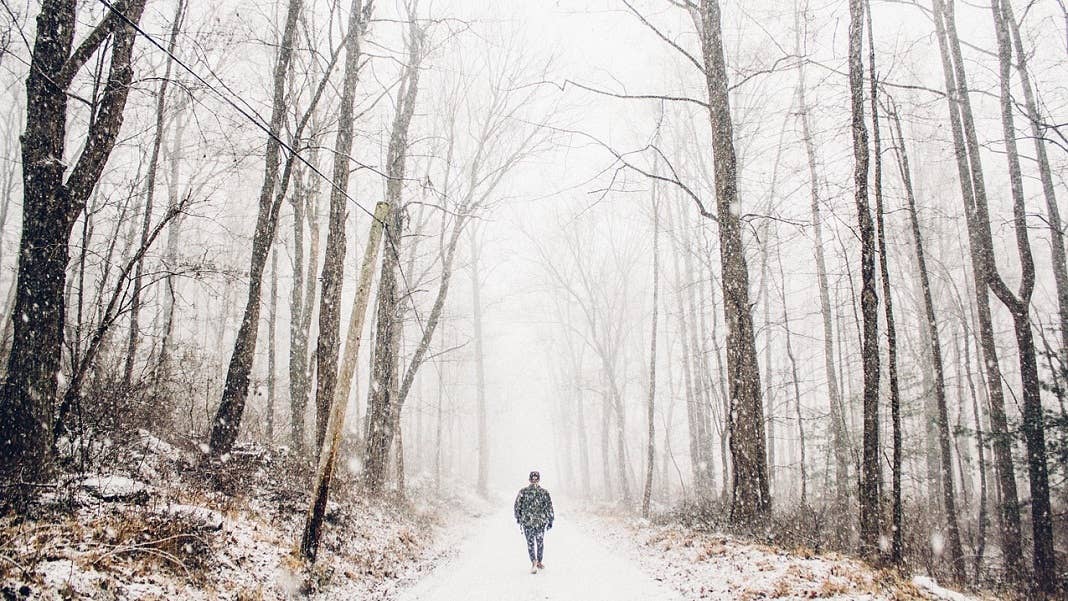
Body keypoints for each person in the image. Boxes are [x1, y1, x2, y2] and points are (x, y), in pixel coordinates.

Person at [513, 470, 554, 574]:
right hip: (540, 522)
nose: (535, 480)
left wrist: (518, 517)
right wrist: (550, 520)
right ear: (538, 480)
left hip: (528, 523)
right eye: (534, 478)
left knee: (530, 543)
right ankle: (538, 561)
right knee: (540, 542)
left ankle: (534, 562)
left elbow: (517, 506)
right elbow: (549, 507)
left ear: (529, 480)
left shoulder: (523, 492)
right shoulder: (544, 493)